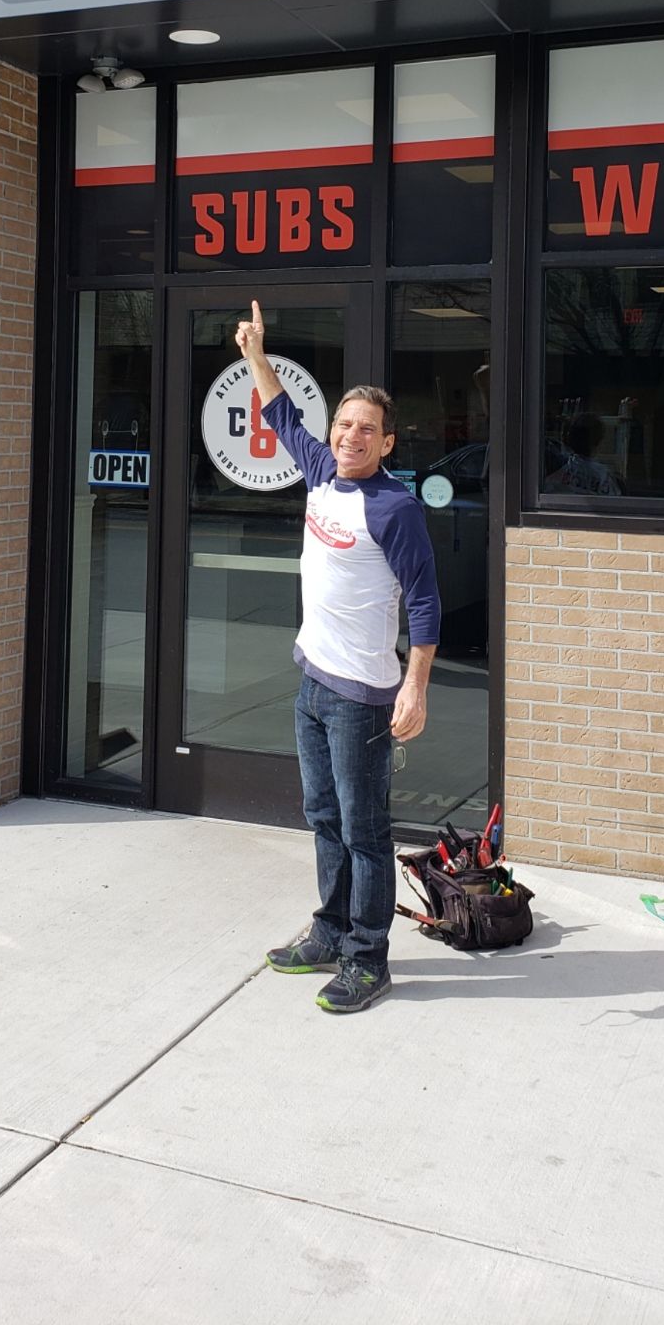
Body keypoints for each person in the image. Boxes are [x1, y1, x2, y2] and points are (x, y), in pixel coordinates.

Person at [236, 300, 440, 1014]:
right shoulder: (321, 471)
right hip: (312, 683)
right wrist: (257, 355)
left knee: (365, 831)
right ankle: (329, 931)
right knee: (322, 815)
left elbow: (424, 605)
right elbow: (282, 416)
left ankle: (367, 958)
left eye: (367, 429)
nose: (352, 436)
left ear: (388, 444)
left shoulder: (395, 508)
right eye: (345, 423)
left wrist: (415, 688)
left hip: (361, 697)